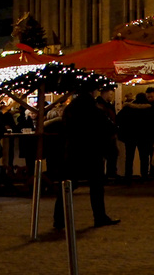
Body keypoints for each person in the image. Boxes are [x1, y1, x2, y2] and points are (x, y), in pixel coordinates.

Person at [53, 89, 120, 229]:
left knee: (66, 188)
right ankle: (99, 216)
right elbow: (109, 129)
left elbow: (63, 130)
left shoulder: (69, 111)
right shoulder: (96, 111)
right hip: (92, 152)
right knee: (96, 187)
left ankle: (59, 219)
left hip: (72, 152)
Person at [117, 92, 154, 184]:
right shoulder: (150, 110)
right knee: (144, 157)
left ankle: (128, 175)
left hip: (130, 136)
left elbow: (119, 119)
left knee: (129, 157)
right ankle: (144, 175)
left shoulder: (128, 109)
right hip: (145, 137)